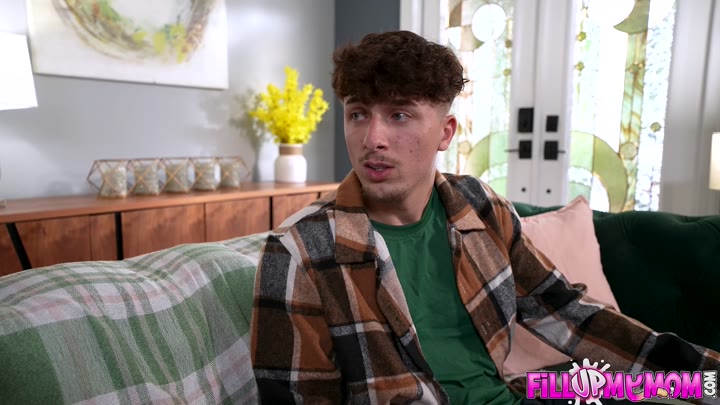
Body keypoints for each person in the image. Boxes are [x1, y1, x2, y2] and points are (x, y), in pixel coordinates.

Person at [250, 30, 720, 404]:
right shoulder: (298, 251)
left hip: (524, 393)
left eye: (399, 115)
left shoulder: (479, 206)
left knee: (673, 392)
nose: (373, 137)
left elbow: (569, 316)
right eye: (357, 114)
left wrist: (704, 376)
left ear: (445, 132)